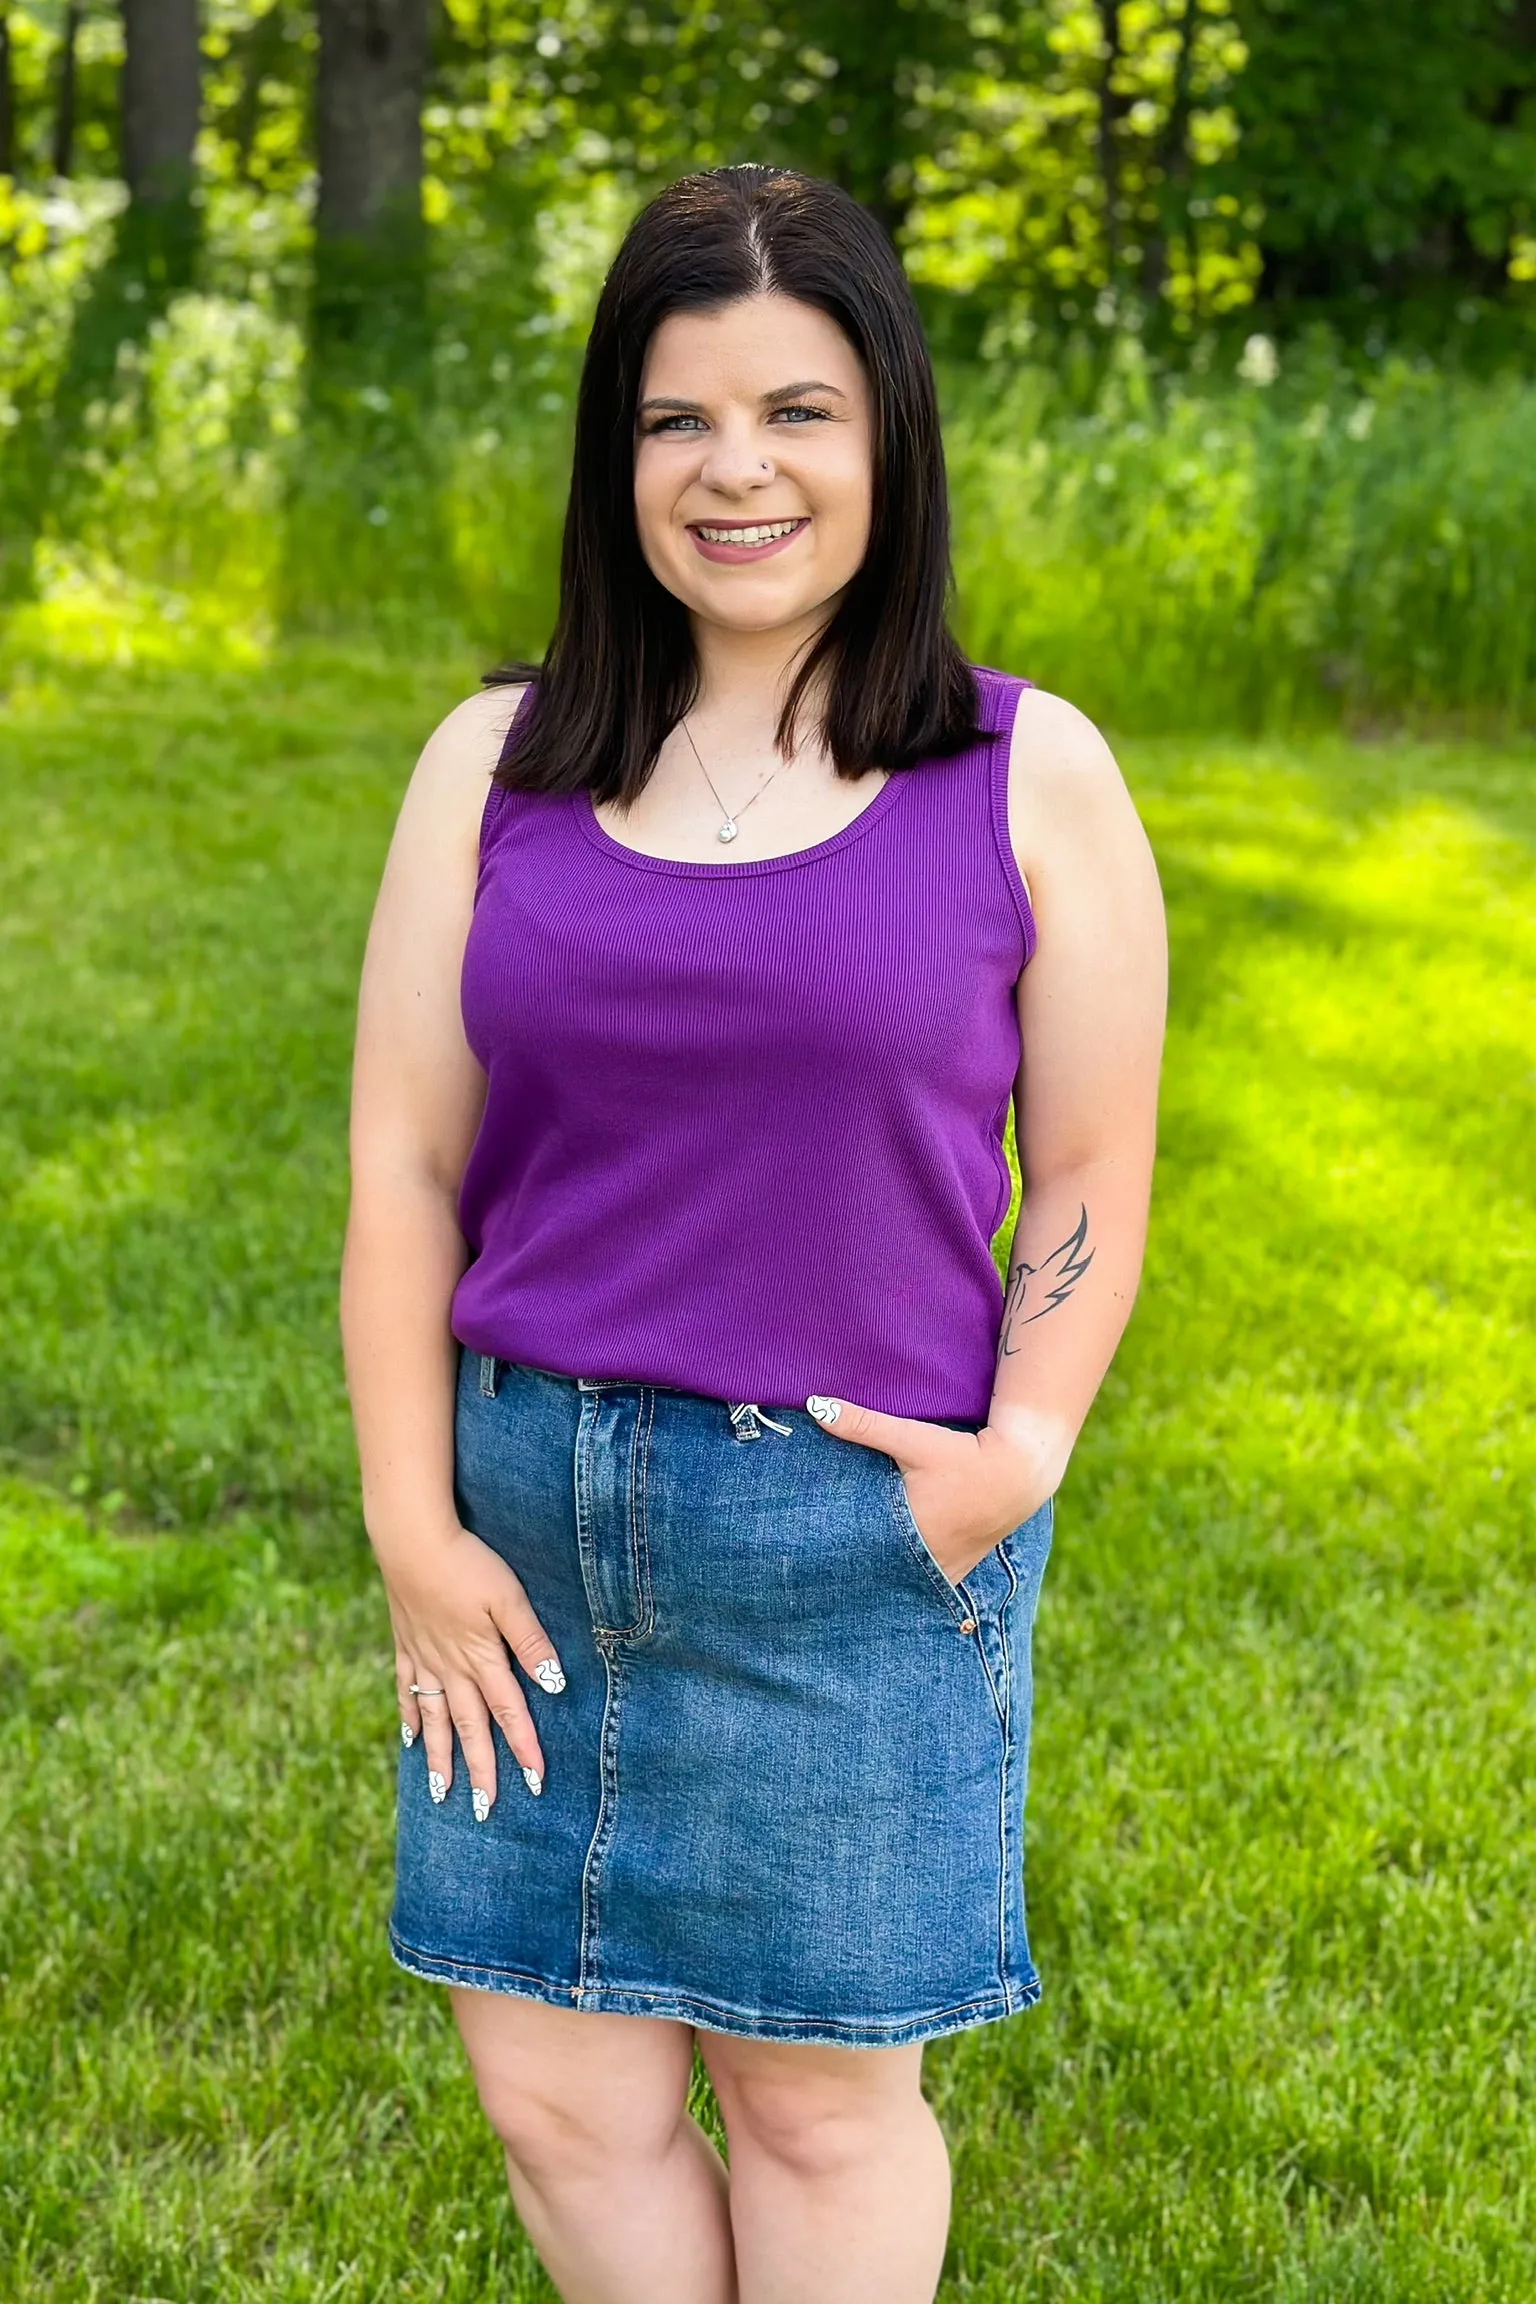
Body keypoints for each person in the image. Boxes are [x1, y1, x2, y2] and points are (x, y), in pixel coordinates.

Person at [341, 163, 1166, 2304]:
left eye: (800, 411)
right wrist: (412, 1531)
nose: (738, 471)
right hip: (521, 1529)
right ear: (616, 452)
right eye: (678, 418)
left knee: (815, 2104)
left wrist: (1026, 1454)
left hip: (853, 1533)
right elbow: (405, 1176)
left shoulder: (1023, 772)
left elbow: (1085, 1167)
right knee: (553, 2087)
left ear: (888, 436)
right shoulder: (492, 765)